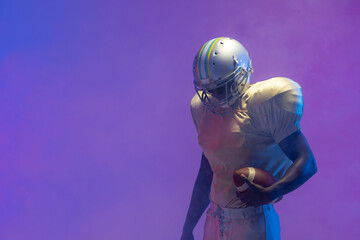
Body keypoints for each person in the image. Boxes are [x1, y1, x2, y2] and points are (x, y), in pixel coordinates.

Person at [181, 37, 317, 240]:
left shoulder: (262, 104)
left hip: (253, 222)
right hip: (214, 219)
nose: (214, 94)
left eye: (221, 86)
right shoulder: (203, 110)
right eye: (208, 89)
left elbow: (307, 162)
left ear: (241, 74)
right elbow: (207, 172)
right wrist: (188, 226)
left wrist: (272, 191)